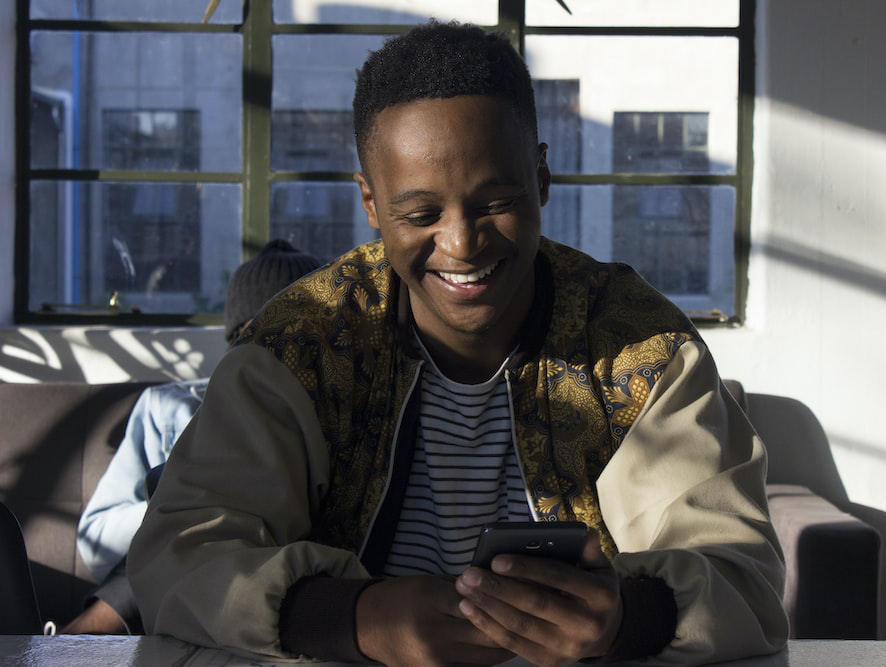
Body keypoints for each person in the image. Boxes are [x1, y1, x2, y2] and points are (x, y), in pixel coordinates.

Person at [128, 21, 788, 666]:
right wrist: (355, 619)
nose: (463, 244)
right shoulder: (300, 345)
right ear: (370, 202)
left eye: (495, 202)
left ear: (541, 179)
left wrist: (624, 620)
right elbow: (177, 559)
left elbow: (744, 579)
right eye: (421, 214)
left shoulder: (640, 347)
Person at [64, 240, 323, 635]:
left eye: (298, 338)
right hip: (186, 584)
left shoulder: (341, 418)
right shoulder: (168, 406)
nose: (278, 357)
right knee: (177, 547)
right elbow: (94, 541)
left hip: (284, 576)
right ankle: (68, 646)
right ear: (234, 341)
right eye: (263, 336)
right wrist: (181, 498)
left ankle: (70, 643)